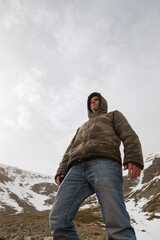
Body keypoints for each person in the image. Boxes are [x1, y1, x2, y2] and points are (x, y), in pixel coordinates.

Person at [49, 92, 143, 240]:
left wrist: (133, 156)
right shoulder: (81, 127)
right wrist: (62, 170)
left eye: (96, 100)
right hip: (75, 169)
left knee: (116, 219)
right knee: (58, 218)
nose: (93, 102)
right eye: (90, 101)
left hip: (105, 163)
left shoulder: (113, 116)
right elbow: (70, 150)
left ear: (102, 102)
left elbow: (128, 134)